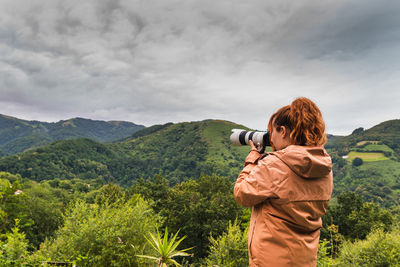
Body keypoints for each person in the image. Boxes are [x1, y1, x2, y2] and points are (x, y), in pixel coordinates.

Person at [234, 97, 333, 267]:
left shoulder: (275, 164)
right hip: (305, 259)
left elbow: (241, 194)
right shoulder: (323, 166)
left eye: (271, 132)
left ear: (283, 131)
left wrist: (252, 159)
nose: (270, 139)